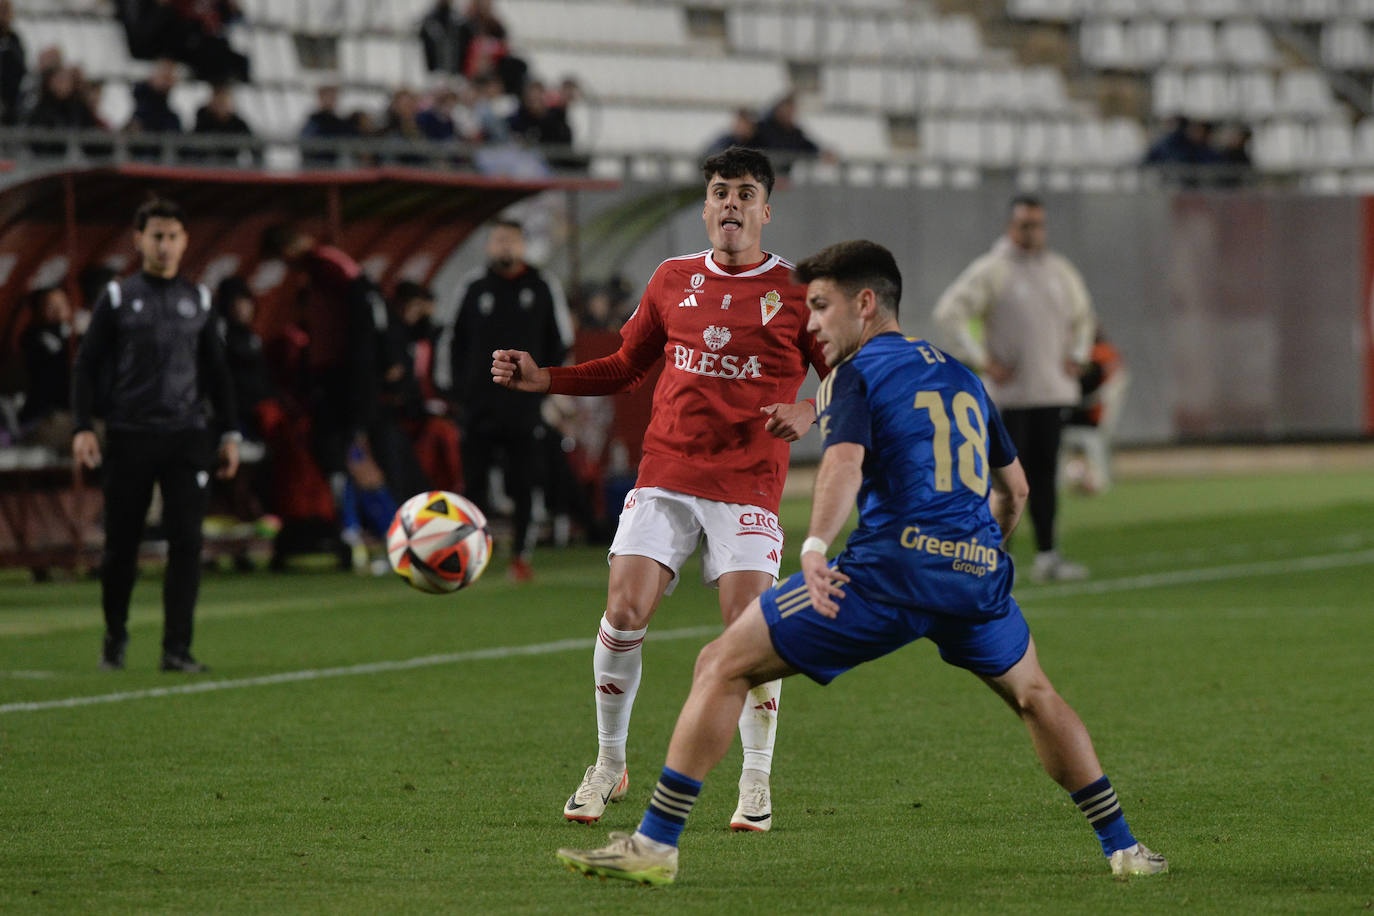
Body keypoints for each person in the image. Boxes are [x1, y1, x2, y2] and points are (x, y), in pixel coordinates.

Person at [554, 239, 1168, 886]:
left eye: (821, 307)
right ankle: (1124, 848)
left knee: (721, 662)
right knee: (1035, 695)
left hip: (886, 574)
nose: (811, 322)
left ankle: (655, 842)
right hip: (973, 575)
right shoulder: (961, 374)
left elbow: (843, 464)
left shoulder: (856, 372)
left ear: (866, 304)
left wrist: (815, 546)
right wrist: (986, 549)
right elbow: (1014, 488)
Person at [491, 147, 828, 830]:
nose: (730, 204)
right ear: (705, 208)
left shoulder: (799, 291)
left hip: (747, 485)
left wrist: (812, 408)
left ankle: (755, 781)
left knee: (748, 631)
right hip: (667, 473)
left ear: (765, 210)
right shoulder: (673, 279)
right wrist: (544, 378)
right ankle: (609, 765)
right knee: (625, 609)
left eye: (744, 194)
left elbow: (854, 371)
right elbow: (623, 366)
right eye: (719, 192)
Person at [71, 197, 240, 673]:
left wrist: (228, 432)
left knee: (187, 543)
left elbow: (218, 372)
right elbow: (86, 365)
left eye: (172, 236)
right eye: (156, 236)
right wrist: (84, 425)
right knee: (121, 546)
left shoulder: (199, 299)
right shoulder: (120, 297)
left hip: (187, 437)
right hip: (130, 436)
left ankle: (176, 649)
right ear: (138, 239)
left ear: (185, 241)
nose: (164, 245)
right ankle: (115, 635)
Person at [932, 194, 1093, 584]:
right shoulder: (992, 270)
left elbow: (1083, 317)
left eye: (1038, 224)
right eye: (1025, 224)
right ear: (1011, 226)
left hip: (1051, 392)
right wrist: (982, 360)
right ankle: (993, 556)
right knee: (1004, 482)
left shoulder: (1059, 271)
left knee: (1044, 477)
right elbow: (949, 312)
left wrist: (1078, 354)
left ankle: (1048, 555)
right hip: (1008, 399)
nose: (1033, 232)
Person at [445, 218, 572, 581]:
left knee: (525, 484)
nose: (505, 247)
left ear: (523, 245)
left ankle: (520, 556)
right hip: (478, 406)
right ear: (489, 245)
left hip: (524, 406)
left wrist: (552, 392)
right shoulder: (472, 286)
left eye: (512, 240)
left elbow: (561, 342)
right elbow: (452, 342)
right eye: (499, 240)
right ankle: (470, 555)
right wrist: (456, 394)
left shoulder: (542, 285)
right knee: (473, 486)